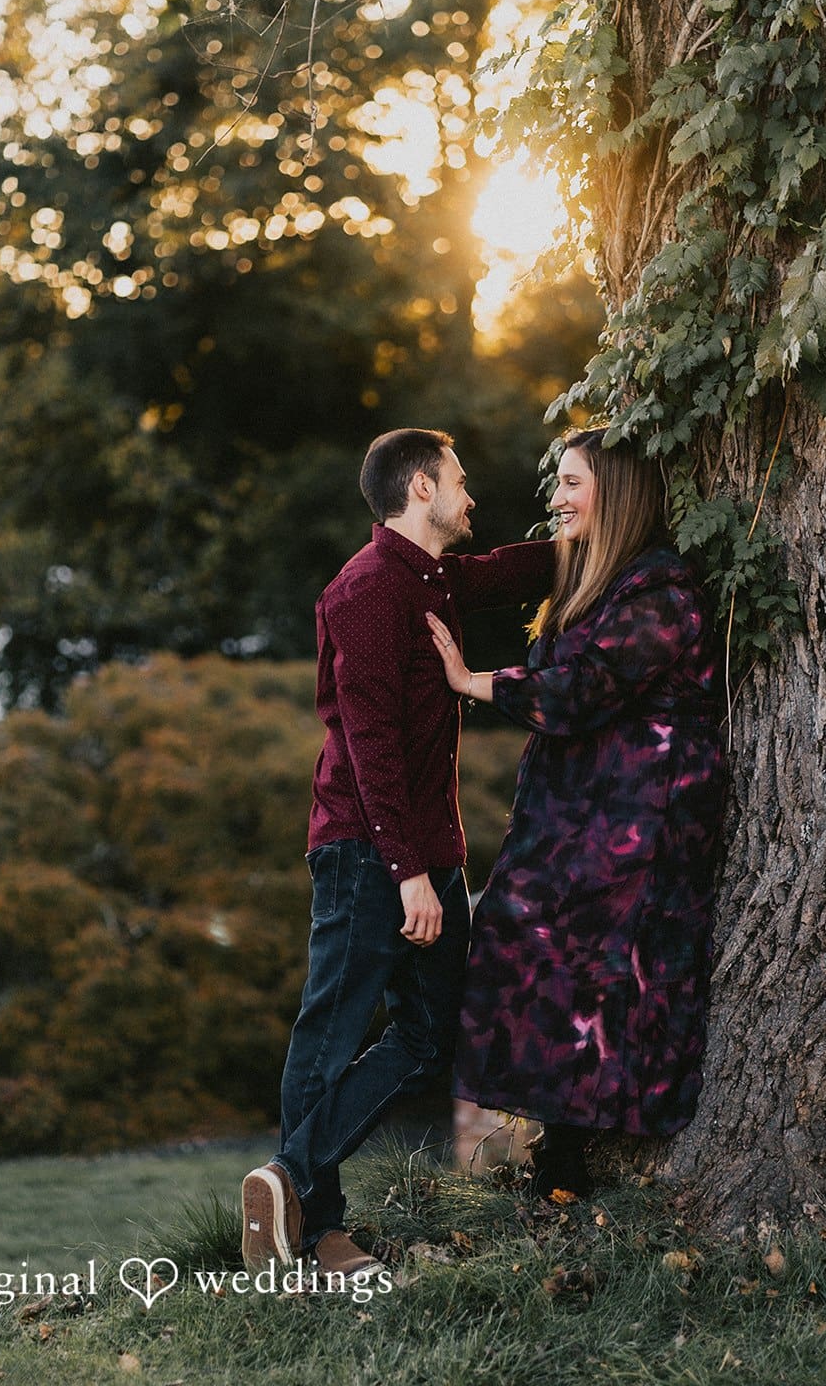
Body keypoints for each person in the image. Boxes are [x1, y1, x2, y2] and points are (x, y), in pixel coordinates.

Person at [241, 427, 555, 1278]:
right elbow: (369, 743)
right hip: (367, 851)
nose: (470, 496)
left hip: (428, 851)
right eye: (458, 481)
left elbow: (511, 571)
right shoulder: (367, 591)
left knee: (429, 1028)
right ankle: (313, 1232)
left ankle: (286, 1180)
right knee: (330, 1032)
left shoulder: (430, 577)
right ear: (421, 487)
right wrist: (407, 872)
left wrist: (598, 532)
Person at [426, 427, 725, 1198]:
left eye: (569, 483)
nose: (554, 500)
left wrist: (471, 680)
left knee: (611, 975)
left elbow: (579, 688)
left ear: (617, 492)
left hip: (640, 821)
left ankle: (579, 1157)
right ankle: (559, 1152)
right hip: (586, 814)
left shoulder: (662, 590)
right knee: (533, 954)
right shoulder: (604, 577)